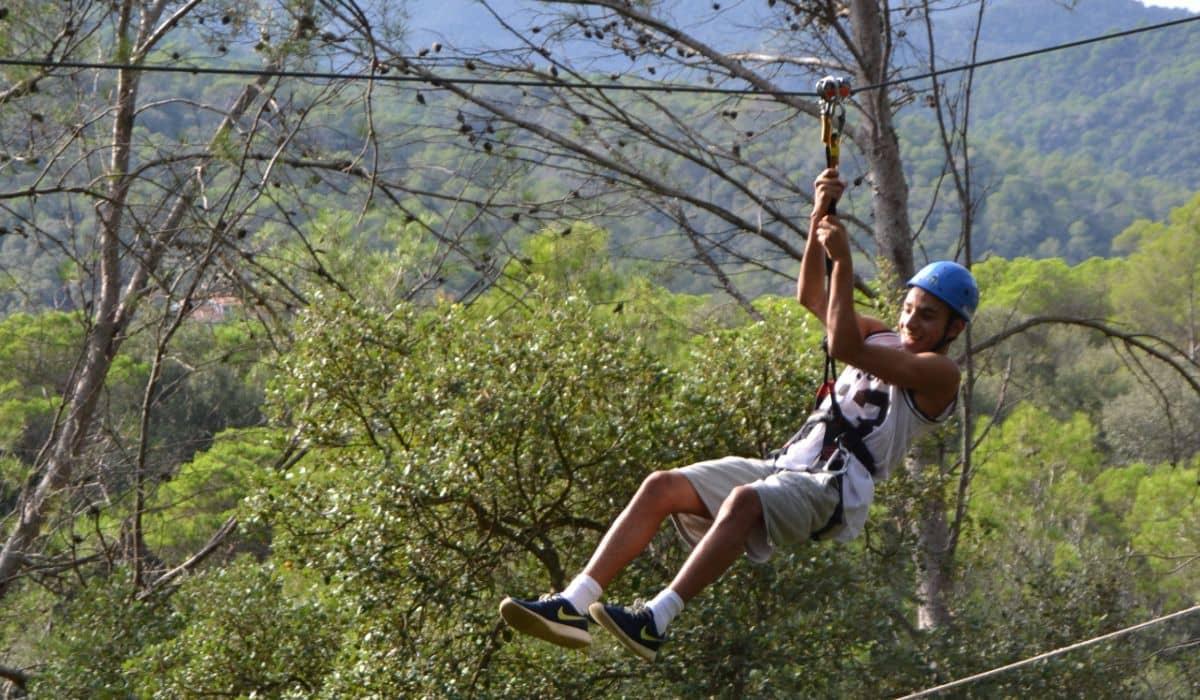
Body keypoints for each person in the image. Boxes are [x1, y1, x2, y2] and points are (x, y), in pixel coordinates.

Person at [498, 168, 979, 662]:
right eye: (908, 308)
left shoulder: (940, 374)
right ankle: (574, 604)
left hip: (836, 486)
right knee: (662, 485)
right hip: (789, 465)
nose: (910, 322)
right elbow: (812, 297)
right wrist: (818, 217)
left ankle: (655, 620)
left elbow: (841, 342)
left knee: (745, 500)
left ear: (953, 329)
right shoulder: (882, 334)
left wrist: (844, 257)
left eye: (927, 316)